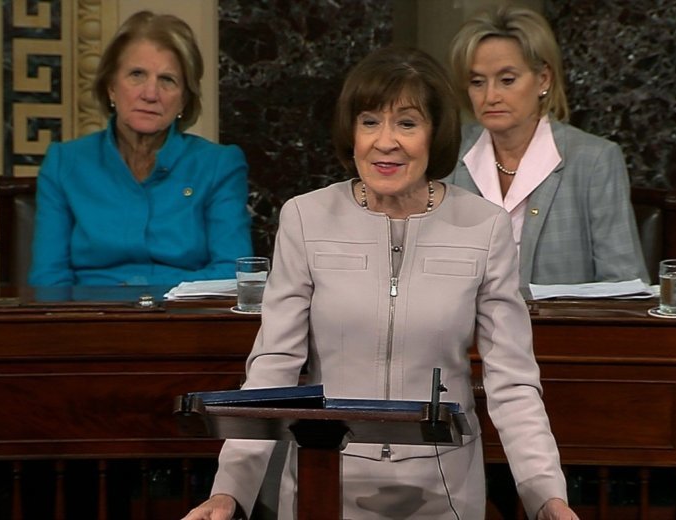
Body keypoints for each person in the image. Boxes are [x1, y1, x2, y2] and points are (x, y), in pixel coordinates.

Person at [183, 46, 577, 520]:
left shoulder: (484, 227)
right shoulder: (305, 218)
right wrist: (230, 491)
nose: (385, 142)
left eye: (407, 123)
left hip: (442, 491)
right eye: (370, 122)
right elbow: (273, 369)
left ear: (435, 134)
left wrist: (546, 497)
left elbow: (512, 382)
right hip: (323, 483)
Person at [28, 11, 252, 286]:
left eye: (167, 80)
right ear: (111, 86)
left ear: (184, 99)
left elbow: (234, 272)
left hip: (184, 311)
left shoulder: (219, 165)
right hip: (89, 311)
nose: (150, 94)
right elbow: (49, 279)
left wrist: (154, 299)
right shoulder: (64, 163)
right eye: (137, 75)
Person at [445, 3, 649, 287]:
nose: (490, 96)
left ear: (543, 79)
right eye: (477, 82)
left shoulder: (594, 161)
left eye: (507, 80)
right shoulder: (449, 154)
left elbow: (623, 283)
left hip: (560, 318)